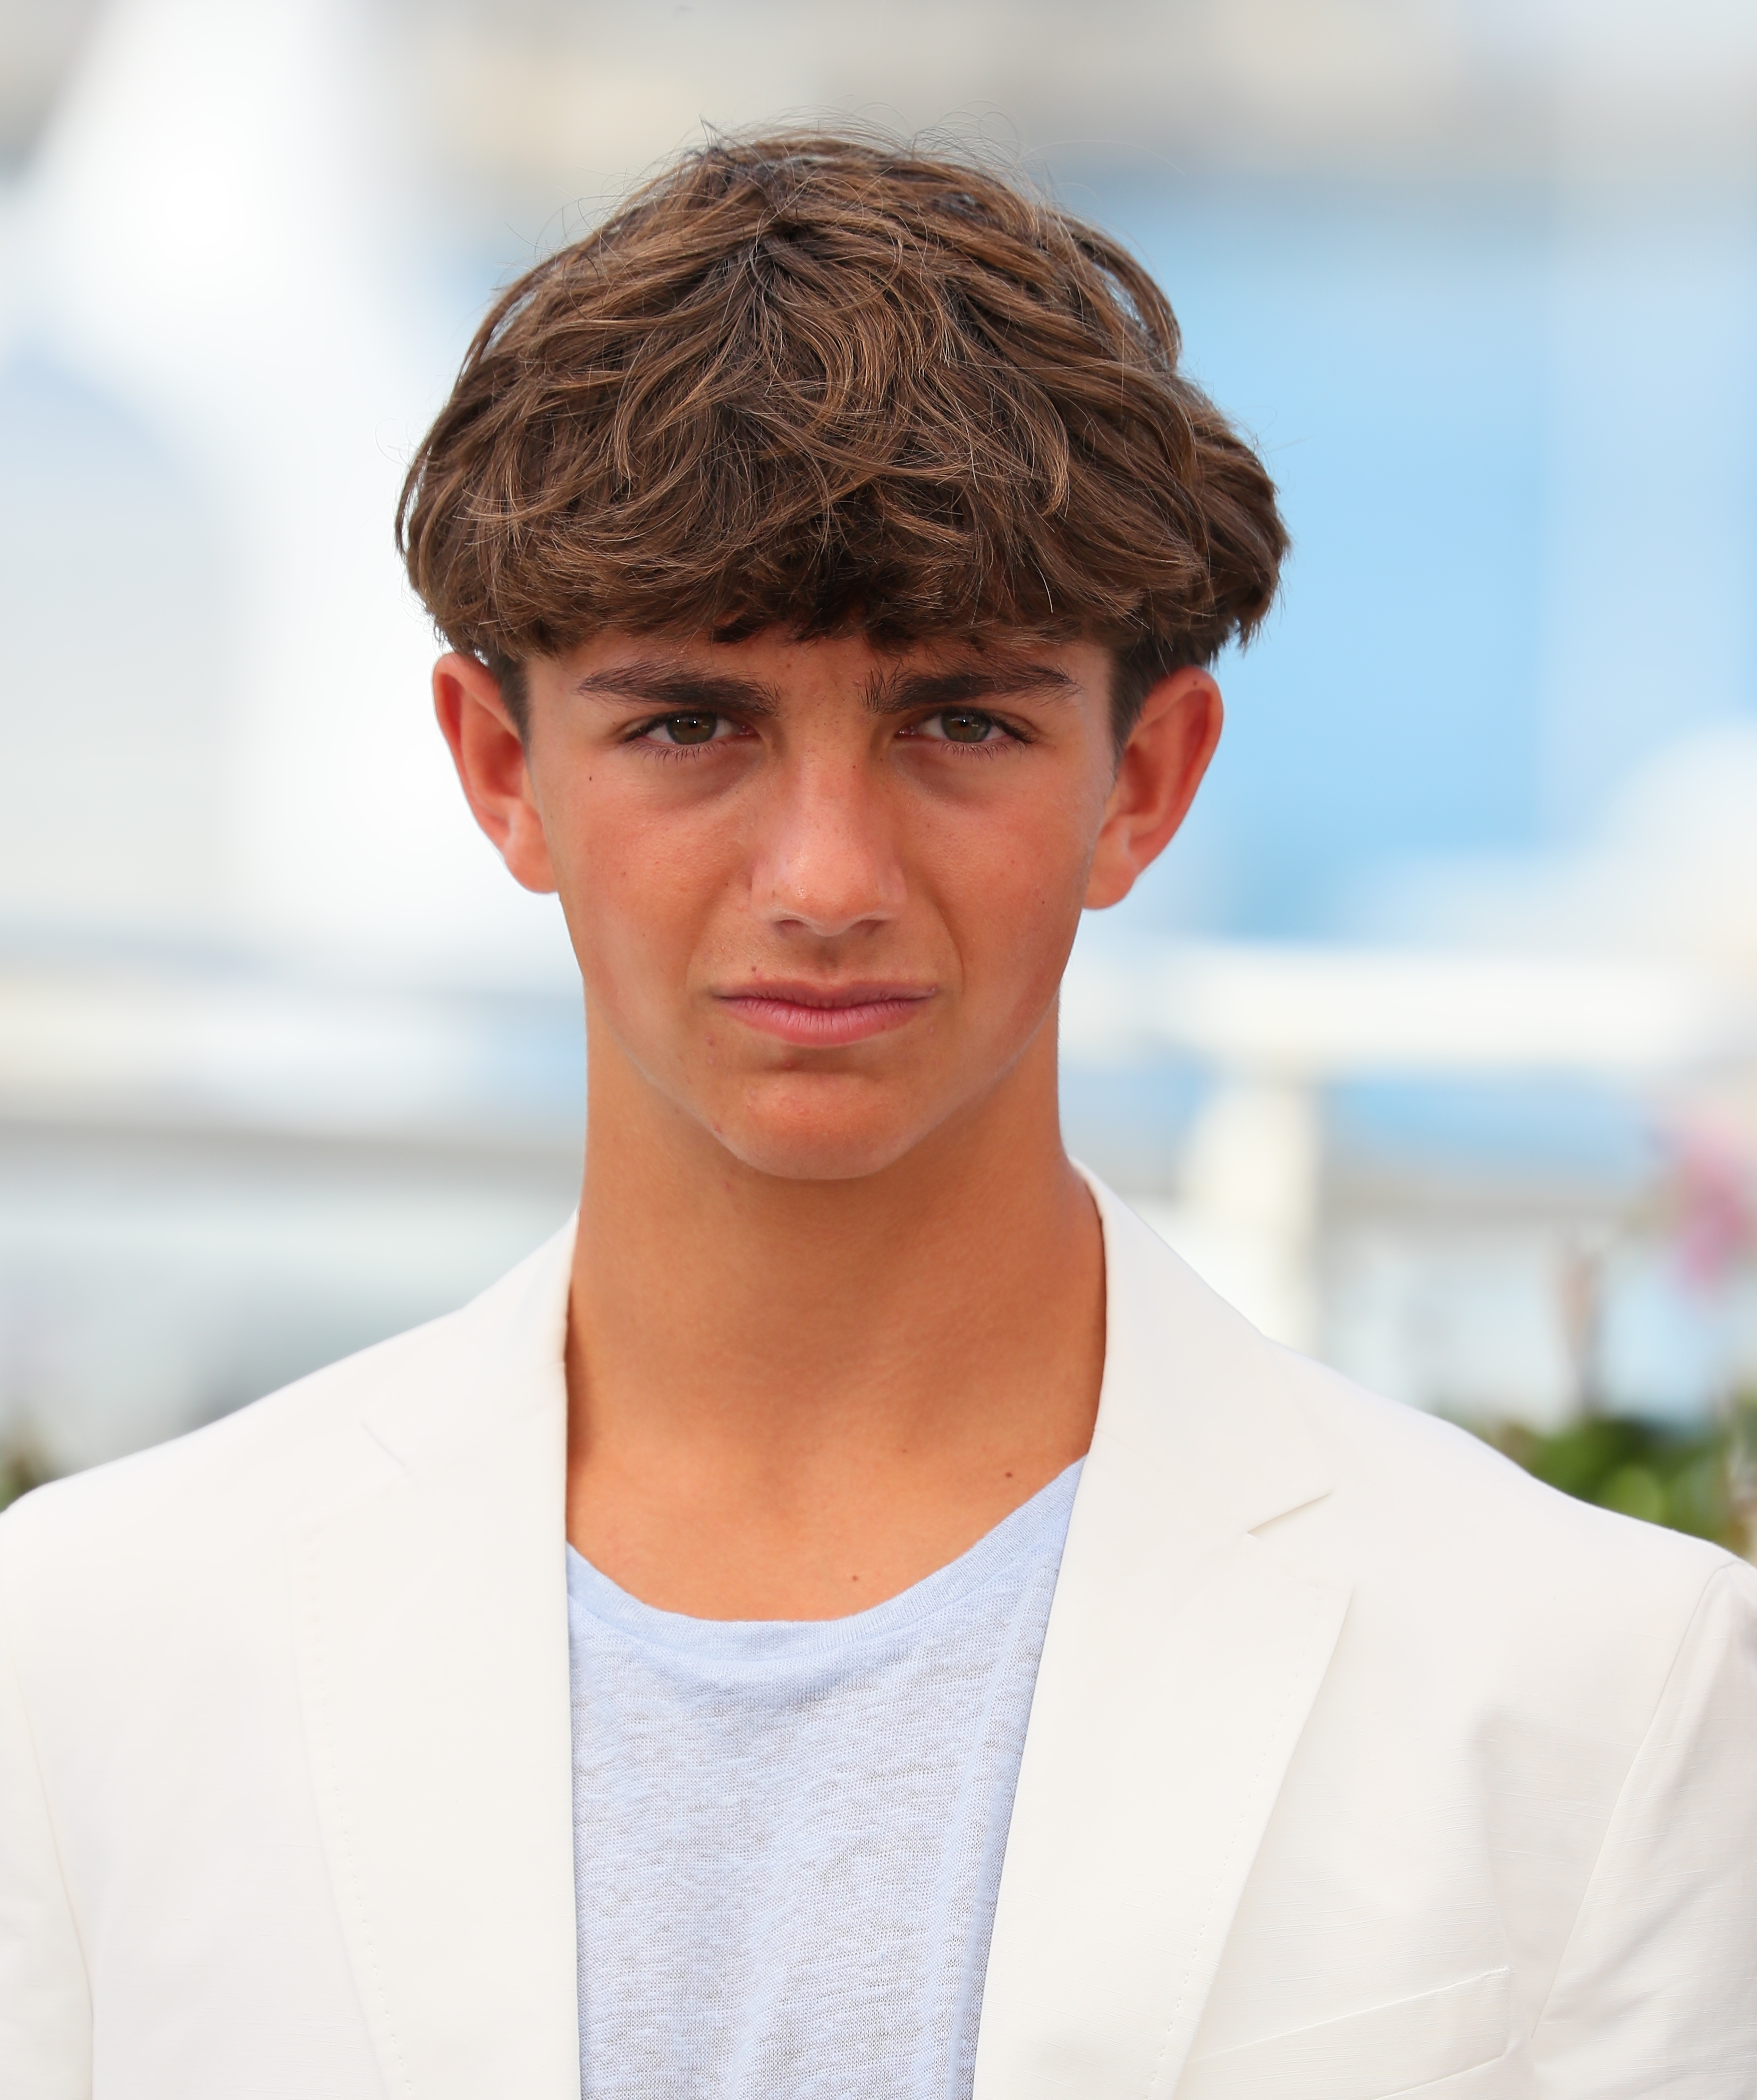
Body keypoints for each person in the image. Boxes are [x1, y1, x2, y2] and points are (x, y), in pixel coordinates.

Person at [2, 132, 1753, 2100]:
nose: (825, 874)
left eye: (959, 722)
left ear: (1142, 778)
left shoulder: (1597, 1682)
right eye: (690, 724)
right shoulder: (86, 1652)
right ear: (502, 768)